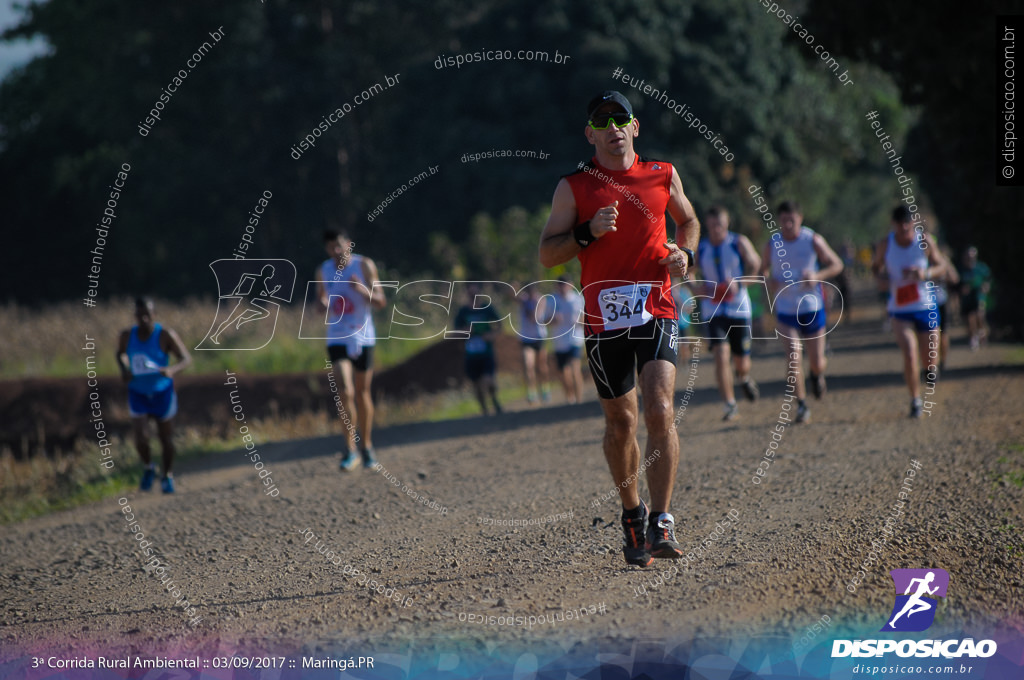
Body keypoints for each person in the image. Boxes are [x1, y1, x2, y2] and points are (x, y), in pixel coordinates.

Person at [538, 90, 700, 567]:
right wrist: (588, 232)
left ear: (634, 127)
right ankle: (632, 512)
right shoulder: (574, 187)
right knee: (621, 422)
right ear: (589, 133)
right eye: (601, 121)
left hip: (657, 308)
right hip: (602, 321)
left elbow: (687, 221)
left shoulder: (661, 174)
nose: (612, 128)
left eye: (620, 119)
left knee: (660, 407)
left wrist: (684, 254)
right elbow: (548, 254)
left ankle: (662, 520)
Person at [759, 201, 844, 424]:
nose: (788, 225)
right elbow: (762, 272)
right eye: (784, 220)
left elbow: (837, 264)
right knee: (794, 356)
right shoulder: (773, 244)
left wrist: (817, 276)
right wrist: (770, 282)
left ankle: (816, 375)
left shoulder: (812, 240)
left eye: (792, 220)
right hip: (786, 310)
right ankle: (802, 404)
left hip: (812, 308)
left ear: (800, 218)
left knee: (817, 360)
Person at [315, 230, 386, 470]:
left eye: (338, 246)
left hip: (363, 336)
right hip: (337, 337)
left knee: (363, 393)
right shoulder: (323, 270)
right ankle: (349, 448)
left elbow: (380, 301)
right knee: (345, 391)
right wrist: (322, 304)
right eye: (330, 248)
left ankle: (366, 446)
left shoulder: (364, 265)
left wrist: (362, 289)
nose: (335, 252)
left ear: (348, 245)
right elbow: (320, 302)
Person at [872, 207, 953, 418]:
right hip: (900, 308)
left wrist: (925, 273)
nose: (904, 228)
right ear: (894, 224)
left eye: (907, 224)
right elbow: (876, 268)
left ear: (913, 223)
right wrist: (881, 280)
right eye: (900, 225)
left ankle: (929, 369)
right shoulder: (885, 244)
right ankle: (915, 400)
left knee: (929, 358)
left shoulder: (925, 241)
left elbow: (942, 266)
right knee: (909, 353)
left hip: (926, 305)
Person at [116, 297, 192, 493]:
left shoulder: (166, 335)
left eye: (147, 315)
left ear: (154, 315)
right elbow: (120, 354)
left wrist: (171, 370)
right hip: (138, 392)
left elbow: (185, 358)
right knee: (140, 437)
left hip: (162, 393)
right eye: (139, 315)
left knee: (165, 438)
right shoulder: (127, 335)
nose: (143, 319)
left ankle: (167, 475)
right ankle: (149, 467)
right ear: (135, 316)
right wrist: (124, 368)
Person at [693, 205, 761, 420]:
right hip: (713, 310)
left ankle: (744, 378)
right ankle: (730, 404)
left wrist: (740, 284)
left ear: (727, 223)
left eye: (719, 225)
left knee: (742, 363)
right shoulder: (700, 248)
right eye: (712, 226)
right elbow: (686, 271)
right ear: (707, 226)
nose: (716, 230)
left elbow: (757, 266)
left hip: (739, 308)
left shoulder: (738, 242)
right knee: (721, 355)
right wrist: (697, 288)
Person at [453, 282, 503, 415]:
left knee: (489, 380)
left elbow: (500, 326)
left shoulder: (487, 308)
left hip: (487, 353)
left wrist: (491, 335)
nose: (473, 296)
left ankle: (494, 399)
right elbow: (455, 332)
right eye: (470, 293)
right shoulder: (463, 312)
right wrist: (465, 331)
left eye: (475, 293)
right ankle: (484, 408)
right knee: (476, 385)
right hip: (471, 354)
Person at [512, 283, 552, 404]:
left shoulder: (541, 299)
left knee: (541, 366)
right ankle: (532, 391)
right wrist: (514, 288)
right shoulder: (523, 299)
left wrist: (526, 304)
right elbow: (510, 296)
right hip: (526, 338)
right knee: (528, 365)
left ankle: (545, 388)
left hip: (539, 337)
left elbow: (534, 317)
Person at [549, 276, 586, 403]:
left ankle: (579, 399)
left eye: (565, 284)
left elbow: (587, 318)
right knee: (564, 373)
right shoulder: (551, 300)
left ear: (570, 285)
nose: (562, 288)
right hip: (559, 341)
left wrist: (580, 321)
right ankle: (570, 397)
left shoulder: (578, 299)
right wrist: (553, 320)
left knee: (575, 369)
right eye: (560, 285)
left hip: (575, 339)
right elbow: (543, 320)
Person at [959, 246, 992, 351]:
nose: (970, 259)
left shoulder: (981, 268)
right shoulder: (961, 270)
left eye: (972, 257)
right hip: (966, 299)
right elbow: (956, 284)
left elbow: (988, 279)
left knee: (979, 315)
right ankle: (973, 338)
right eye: (968, 257)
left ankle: (981, 332)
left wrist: (986, 286)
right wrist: (961, 289)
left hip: (978, 296)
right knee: (969, 320)